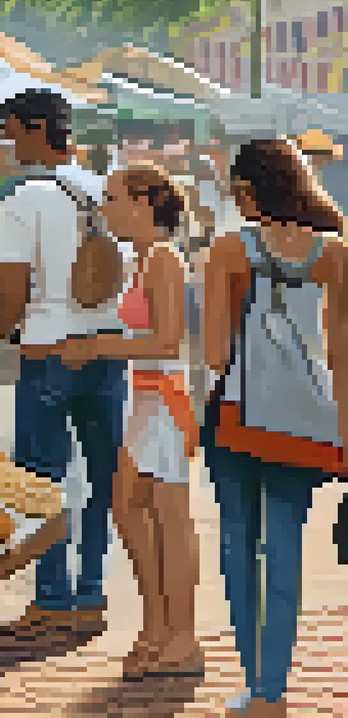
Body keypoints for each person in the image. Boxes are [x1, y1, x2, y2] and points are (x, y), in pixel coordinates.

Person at [202, 139, 347, 718]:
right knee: (284, 545)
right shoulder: (333, 251)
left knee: (239, 543)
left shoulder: (229, 249)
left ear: (249, 189)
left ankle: (252, 678)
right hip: (306, 421)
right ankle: (272, 691)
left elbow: (215, 355)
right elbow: (341, 356)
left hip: (236, 419)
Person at [54, 166, 202, 678]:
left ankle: (179, 634)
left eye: (112, 198)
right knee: (132, 509)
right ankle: (159, 625)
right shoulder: (144, 259)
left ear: (142, 202)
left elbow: (167, 341)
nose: (105, 207)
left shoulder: (162, 259)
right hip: (146, 398)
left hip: (161, 398)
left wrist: (95, 347)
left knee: (167, 519)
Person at [0, 89, 127, 638]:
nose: (6, 142)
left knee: (42, 482)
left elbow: (11, 284)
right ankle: (91, 594)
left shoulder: (24, 198)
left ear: (33, 128)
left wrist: (6, 328)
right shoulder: (111, 192)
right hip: (109, 348)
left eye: (10, 130)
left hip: (47, 351)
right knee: (102, 480)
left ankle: (51, 599)